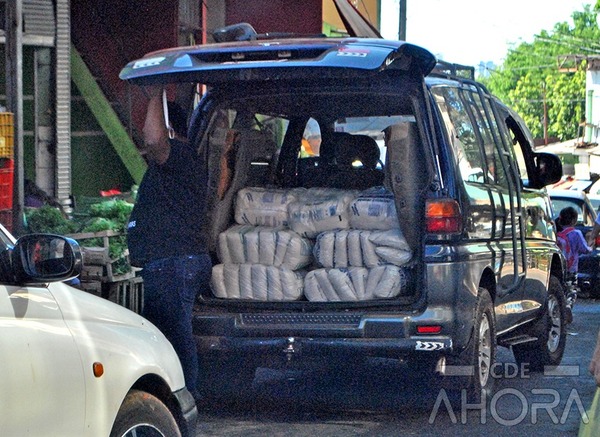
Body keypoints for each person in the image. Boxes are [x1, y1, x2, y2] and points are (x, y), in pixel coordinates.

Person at [126, 86, 211, 403]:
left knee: (173, 334)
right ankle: (180, 394)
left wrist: (154, 92)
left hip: (173, 263)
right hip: (172, 263)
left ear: (170, 131)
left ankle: (184, 398)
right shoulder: (180, 165)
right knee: (171, 332)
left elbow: (153, 139)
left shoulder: (180, 157)